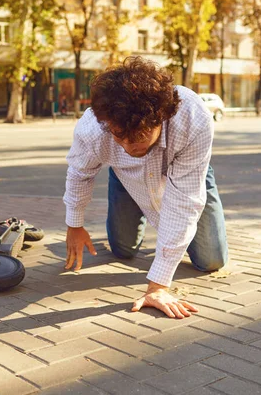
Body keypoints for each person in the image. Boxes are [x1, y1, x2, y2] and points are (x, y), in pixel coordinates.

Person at [63, 56, 229, 319]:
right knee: (122, 250)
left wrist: (158, 286)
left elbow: (182, 204)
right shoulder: (93, 129)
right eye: (120, 136)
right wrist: (74, 225)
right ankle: (122, 184)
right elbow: (79, 173)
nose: (129, 147)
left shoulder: (192, 117)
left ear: (161, 118)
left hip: (186, 171)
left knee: (211, 261)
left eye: (138, 137)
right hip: (125, 177)